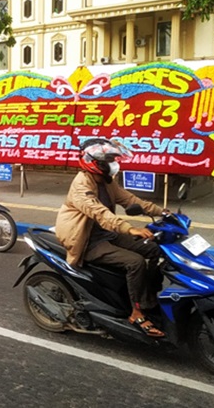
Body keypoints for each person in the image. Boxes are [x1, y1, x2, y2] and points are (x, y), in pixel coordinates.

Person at [55, 138, 167, 338]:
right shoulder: (81, 186)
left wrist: (164, 213)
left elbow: (131, 200)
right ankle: (137, 312)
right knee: (136, 262)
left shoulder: (107, 182)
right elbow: (99, 213)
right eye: (109, 161)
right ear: (94, 163)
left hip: (107, 234)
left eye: (114, 160)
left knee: (156, 249)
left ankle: (147, 297)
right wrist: (130, 229)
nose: (113, 165)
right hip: (86, 240)